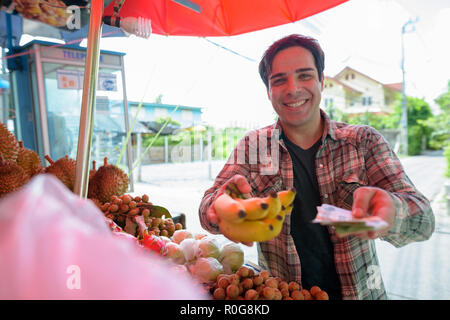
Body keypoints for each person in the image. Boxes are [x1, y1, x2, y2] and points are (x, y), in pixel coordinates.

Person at [198, 34, 435, 300]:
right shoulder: (253, 146)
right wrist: (221, 207)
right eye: (279, 80)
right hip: (283, 293)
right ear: (268, 92)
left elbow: (425, 221)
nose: (293, 88)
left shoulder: (363, 141)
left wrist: (392, 210)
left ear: (321, 82)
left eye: (305, 75)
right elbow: (207, 206)